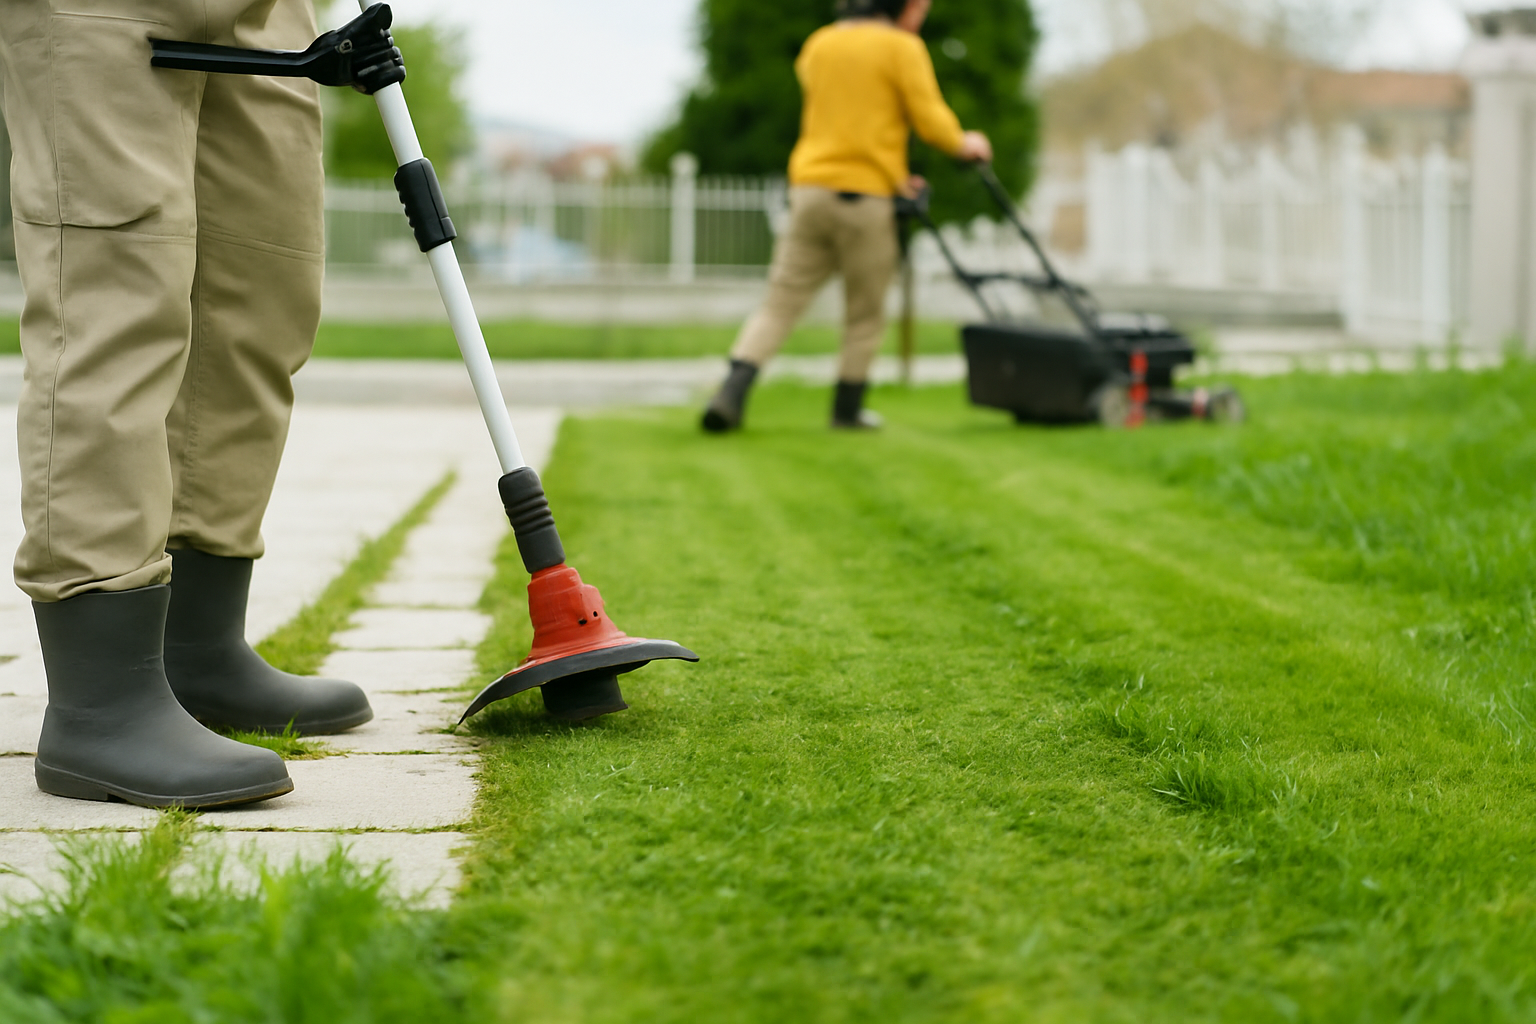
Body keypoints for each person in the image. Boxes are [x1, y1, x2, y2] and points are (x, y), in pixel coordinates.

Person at [0, 0, 373, 809]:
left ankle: (198, 651)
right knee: (115, 293)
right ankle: (101, 700)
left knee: (259, 295)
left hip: (266, 10)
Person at [701, 0, 992, 432]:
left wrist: (896, 175)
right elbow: (929, 120)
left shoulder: (819, 44)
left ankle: (732, 391)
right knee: (865, 311)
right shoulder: (901, 47)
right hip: (865, 198)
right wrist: (964, 143)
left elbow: (847, 117)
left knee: (781, 302)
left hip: (810, 191)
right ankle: (847, 410)